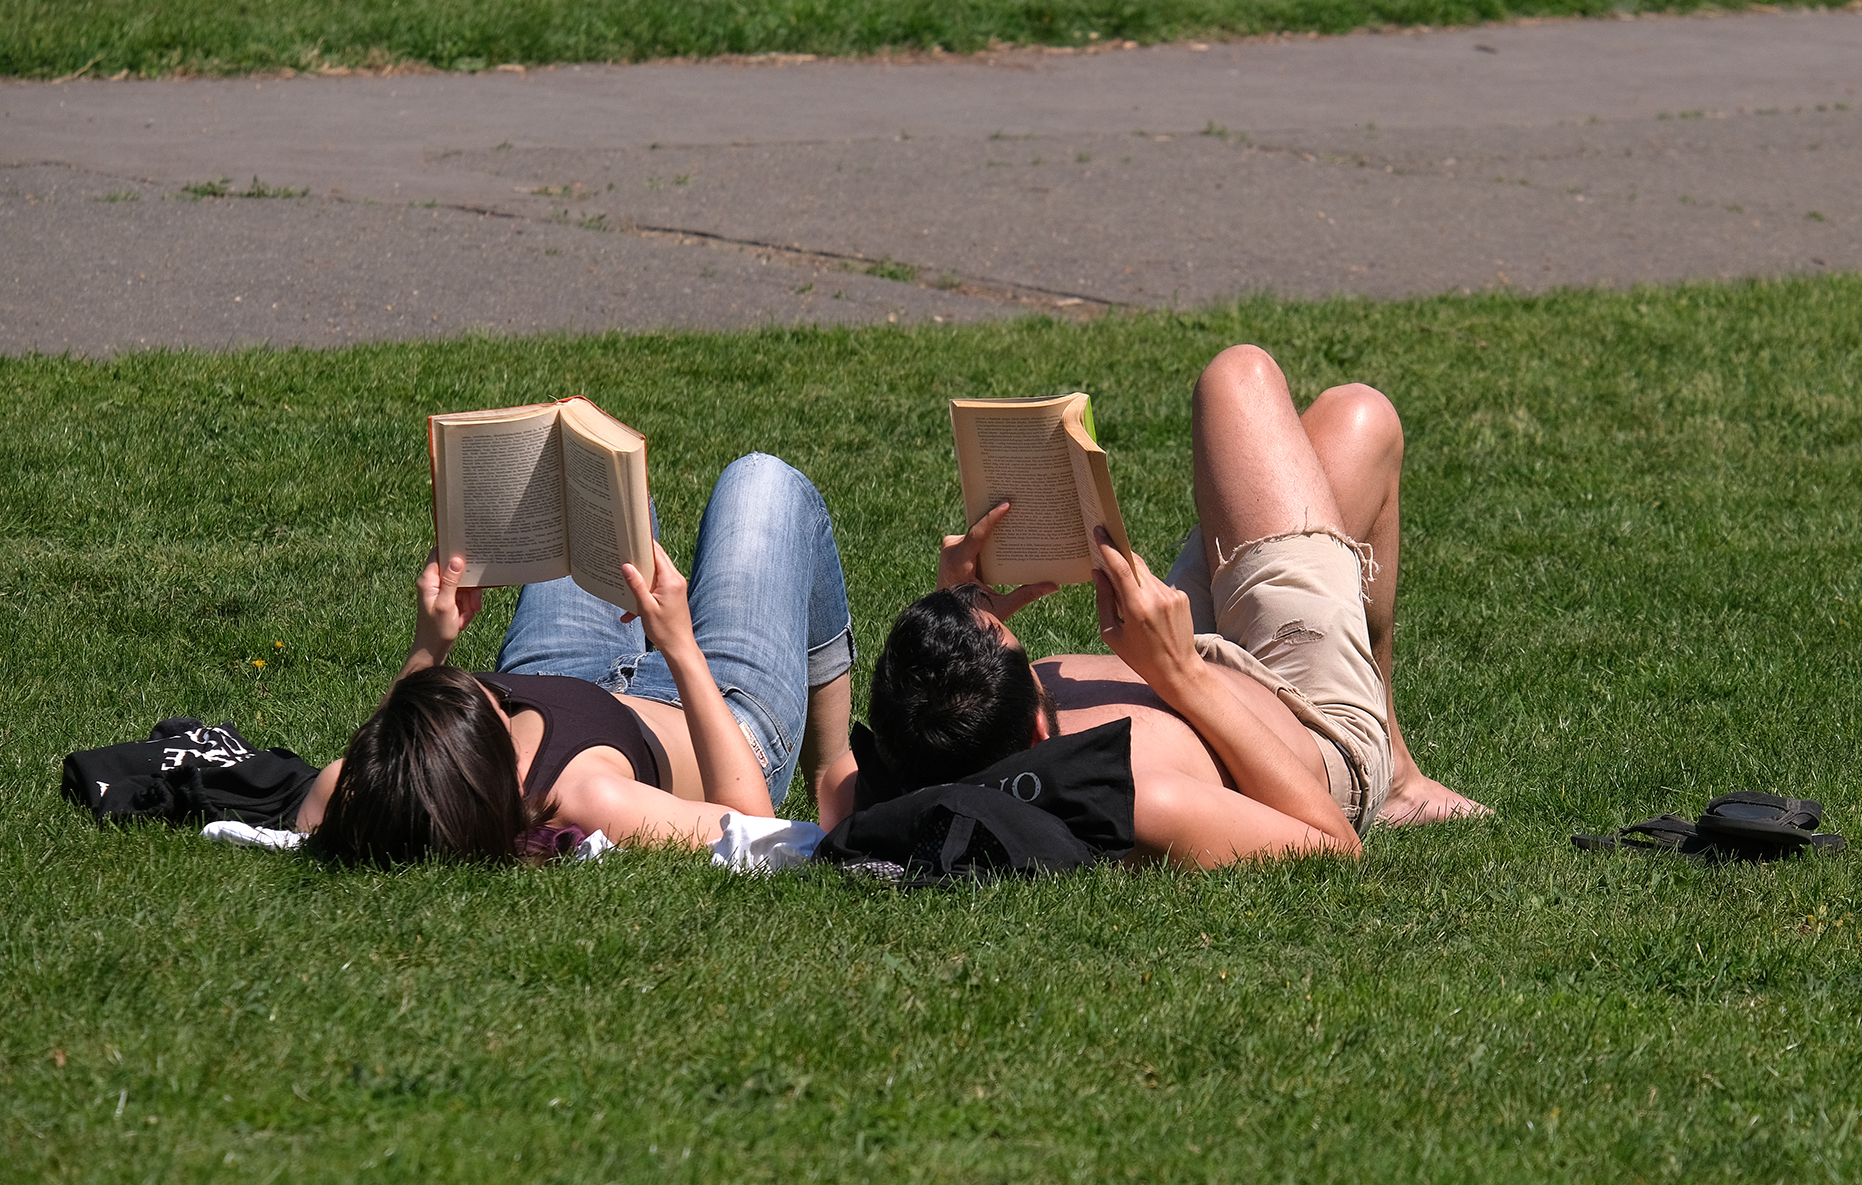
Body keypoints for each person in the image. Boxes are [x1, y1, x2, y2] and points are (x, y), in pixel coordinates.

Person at [851, 345, 1487, 869]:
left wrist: (954, 606)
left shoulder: (943, 734)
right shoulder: (1140, 796)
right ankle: (1392, 772)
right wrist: (1178, 672)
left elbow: (844, 776)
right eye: (1015, 652)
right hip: (1314, 725)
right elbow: (1332, 850)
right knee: (1331, 409)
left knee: (1327, 427)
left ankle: (1403, 772)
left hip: (1201, 658)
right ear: (1040, 732)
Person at [298, 453, 856, 863]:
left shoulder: (363, 788)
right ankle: (831, 768)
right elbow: (755, 832)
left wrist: (432, 640)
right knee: (763, 482)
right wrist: (679, 646)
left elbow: (401, 750)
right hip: (718, 715)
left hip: (561, 671)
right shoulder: (589, 795)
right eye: (494, 707)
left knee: (589, 502)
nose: (496, 695)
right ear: (505, 768)